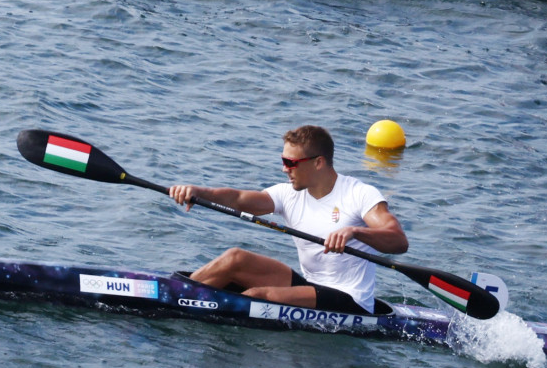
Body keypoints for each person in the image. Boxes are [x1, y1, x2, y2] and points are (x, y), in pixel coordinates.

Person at [167, 125, 407, 315]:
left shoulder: (358, 194)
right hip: (311, 285)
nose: (284, 169)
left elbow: (398, 240)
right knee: (234, 258)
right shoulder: (289, 194)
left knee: (257, 297)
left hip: (349, 298)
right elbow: (239, 198)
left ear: (318, 162)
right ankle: (171, 295)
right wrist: (199, 192)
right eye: (283, 161)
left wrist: (354, 232)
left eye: (290, 163)